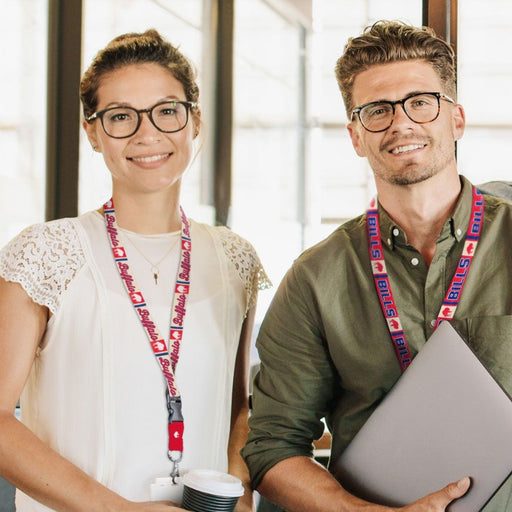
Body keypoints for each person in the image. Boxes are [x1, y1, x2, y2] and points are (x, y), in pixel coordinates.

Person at [242, 20, 512, 512]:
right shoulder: (314, 279)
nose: (400, 123)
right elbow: (272, 447)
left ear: (456, 119)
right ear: (354, 135)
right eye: (377, 111)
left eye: (420, 102)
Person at [0, 29, 269, 512]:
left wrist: (238, 492)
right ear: (93, 132)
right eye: (121, 117)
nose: (148, 134)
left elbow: (236, 409)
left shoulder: (235, 258)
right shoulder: (46, 251)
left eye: (167, 111)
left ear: (194, 122)